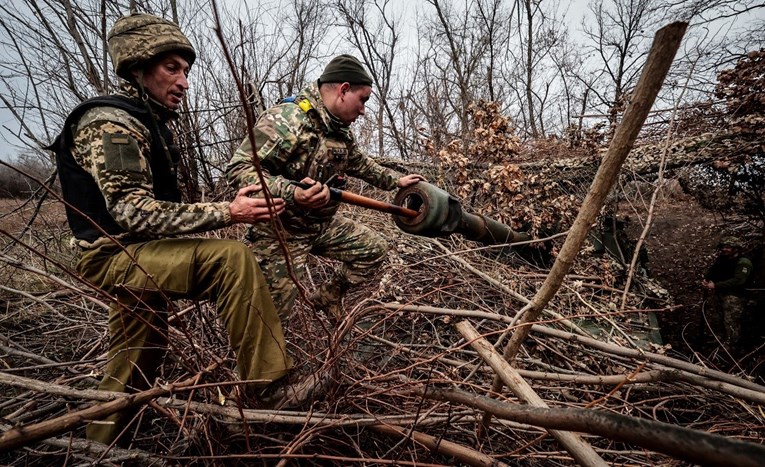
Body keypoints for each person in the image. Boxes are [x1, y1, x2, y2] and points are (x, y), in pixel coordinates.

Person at [48, 13, 293, 445]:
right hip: (114, 254)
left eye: (186, 70)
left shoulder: (145, 120)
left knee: (134, 357)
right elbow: (132, 212)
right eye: (171, 68)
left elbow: (155, 209)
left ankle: (97, 445)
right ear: (138, 68)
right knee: (231, 259)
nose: (183, 81)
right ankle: (269, 388)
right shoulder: (113, 123)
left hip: (134, 253)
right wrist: (228, 213)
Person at [226, 54, 424, 320]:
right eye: (363, 100)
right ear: (343, 90)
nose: (364, 110)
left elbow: (359, 163)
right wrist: (293, 192)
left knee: (374, 249)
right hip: (281, 233)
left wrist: (394, 181)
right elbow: (240, 169)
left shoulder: (339, 129)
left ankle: (328, 297)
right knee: (269, 321)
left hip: (320, 226)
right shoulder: (288, 119)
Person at [702, 236, 752, 349]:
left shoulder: (744, 262)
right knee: (717, 317)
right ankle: (719, 338)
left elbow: (739, 280)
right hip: (719, 293)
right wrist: (706, 279)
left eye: (728, 247)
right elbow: (713, 270)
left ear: (735, 249)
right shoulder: (723, 259)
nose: (724, 249)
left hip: (734, 296)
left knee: (730, 320)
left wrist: (716, 285)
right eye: (723, 247)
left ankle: (731, 345)